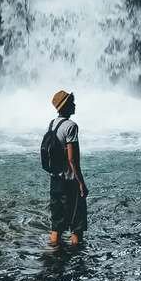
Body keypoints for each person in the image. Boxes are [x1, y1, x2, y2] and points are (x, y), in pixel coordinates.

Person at [47, 89, 88, 247]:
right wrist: (81, 183)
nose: (74, 105)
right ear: (67, 106)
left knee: (56, 224)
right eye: (72, 102)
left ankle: (53, 256)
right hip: (69, 182)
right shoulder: (71, 126)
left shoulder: (52, 124)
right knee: (77, 226)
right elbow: (73, 159)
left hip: (55, 180)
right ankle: (77, 261)